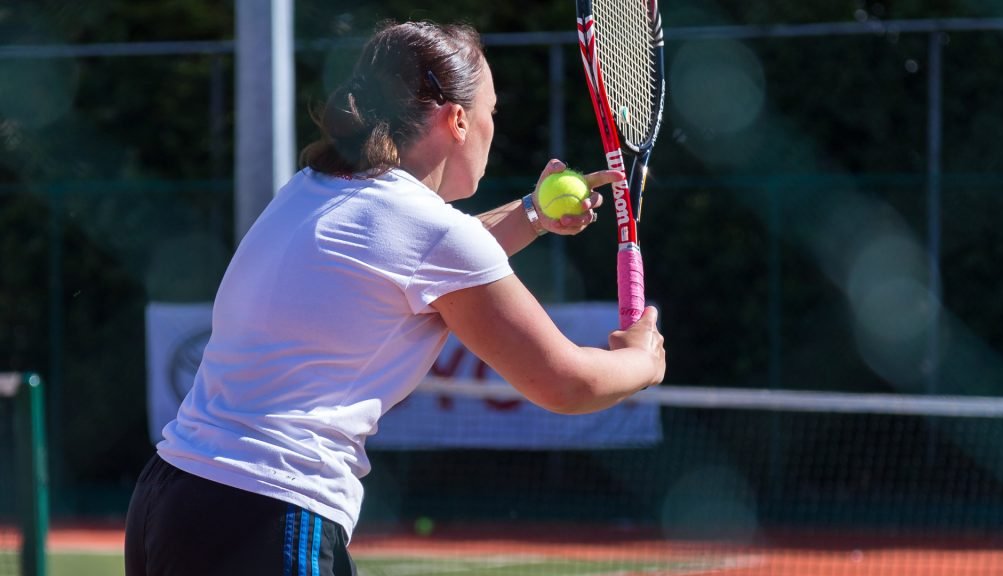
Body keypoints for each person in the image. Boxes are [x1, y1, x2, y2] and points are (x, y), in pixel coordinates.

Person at [125, 20, 665, 576]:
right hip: (266, 508)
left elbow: (421, 266)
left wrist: (531, 214)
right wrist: (641, 361)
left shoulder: (315, 187)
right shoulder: (427, 230)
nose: (492, 127)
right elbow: (565, 384)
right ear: (457, 120)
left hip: (170, 498)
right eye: (492, 112)